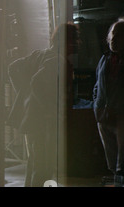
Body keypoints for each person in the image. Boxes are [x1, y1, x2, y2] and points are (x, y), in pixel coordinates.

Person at [8, 24, 74, 186]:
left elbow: (13, 67)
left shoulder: (40, 54)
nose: (78, 43)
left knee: (35, 161)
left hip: (31, 118)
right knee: (44, 165)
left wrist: (24, 96)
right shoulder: (57, 60)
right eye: (75, 39)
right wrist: (47, 108)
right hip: (45, 121)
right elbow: (37, 82)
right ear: (67, 41)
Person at [93, 18, 124, 187]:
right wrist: (98, 107)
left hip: (122, 117)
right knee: (112, 161)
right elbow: (97, 87)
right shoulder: (105, 59)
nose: (114, 38)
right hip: (104, 115)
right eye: (113, 33)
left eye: (120, 34)